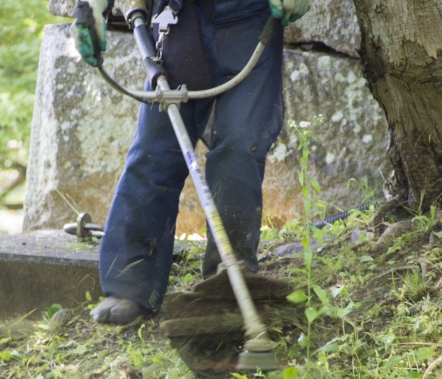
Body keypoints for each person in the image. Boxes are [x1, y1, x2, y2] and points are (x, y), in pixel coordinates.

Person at [71, 0, 309, 324]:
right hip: (179, 23)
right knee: (154, 152)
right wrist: (94, 7)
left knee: (239, 145)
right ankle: (132, 283)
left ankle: (228, 273)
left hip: (248, 22)